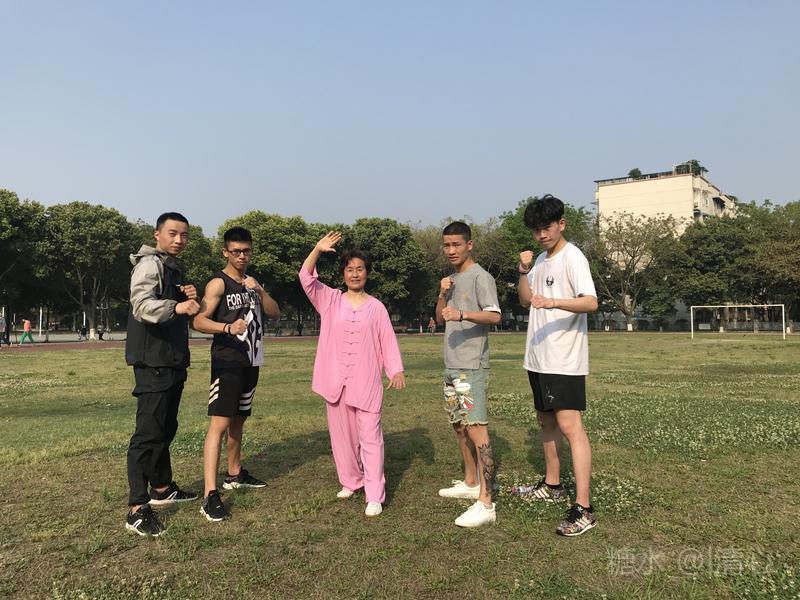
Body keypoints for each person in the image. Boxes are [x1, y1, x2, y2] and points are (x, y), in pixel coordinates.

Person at [299, 231, 405, 517]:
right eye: (349, 269)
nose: (355, 274)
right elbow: (306, 278)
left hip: (366, 381)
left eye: (360, 269)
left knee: (370, 437)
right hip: (336, 381)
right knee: (342, 438)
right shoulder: (330, 300)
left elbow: (387, 340)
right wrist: (317, 250)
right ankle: (351, 481)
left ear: (367, 273)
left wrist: (395, 369)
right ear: (343, 274)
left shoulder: (377, 308)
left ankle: (374, 494)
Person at [517, 194, 599, 537]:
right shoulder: (540, 259)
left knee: (570, 426)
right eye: (536, 230)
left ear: (561, 224)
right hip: (538, 356)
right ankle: (552, 485)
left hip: (563, 358)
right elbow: (525, 300)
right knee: (545, 420)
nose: (541, 235)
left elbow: (591, 302)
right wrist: (523, 271)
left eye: (546, 227)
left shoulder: (573, 256)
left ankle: (584, 508)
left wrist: (552, 302)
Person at [192, 227, 280, 522]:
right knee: (219, 424)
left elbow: (275, 312)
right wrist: (227, 327)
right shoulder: (219, 283)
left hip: (251, 361)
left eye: (246, 251)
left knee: (239, 419)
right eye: (236, 251)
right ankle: (210, 495)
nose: (242, 256)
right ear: (225, 252)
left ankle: (234, 473)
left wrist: (261, 290)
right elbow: (198, 321)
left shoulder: (252, 283)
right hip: (227, 362)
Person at [124, 212, 201, 537]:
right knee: (149, 433)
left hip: (171, 361)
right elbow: (141, 305)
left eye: (184, 235)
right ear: (157, 234)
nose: (179, 240)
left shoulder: (171, 267)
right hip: (153, 362)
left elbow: (170, 307)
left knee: (166, 427)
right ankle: (136, 508)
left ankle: (161, 487)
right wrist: (177, 307)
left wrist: (186, 298)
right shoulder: (149, 264)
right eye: (172, 233)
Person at [435, 221, 501, 527]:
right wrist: (441, 295)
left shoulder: (481, 277)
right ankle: (471, 481)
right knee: (459, 427)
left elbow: (495, 315)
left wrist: (462, 313)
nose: (451, 250)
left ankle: (486, 503)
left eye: (456, 244)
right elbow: (440, 319)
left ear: (469, 245)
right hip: (452, 365)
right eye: (446, 245)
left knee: (477, 431)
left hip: (472, 366)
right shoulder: (450, 279)